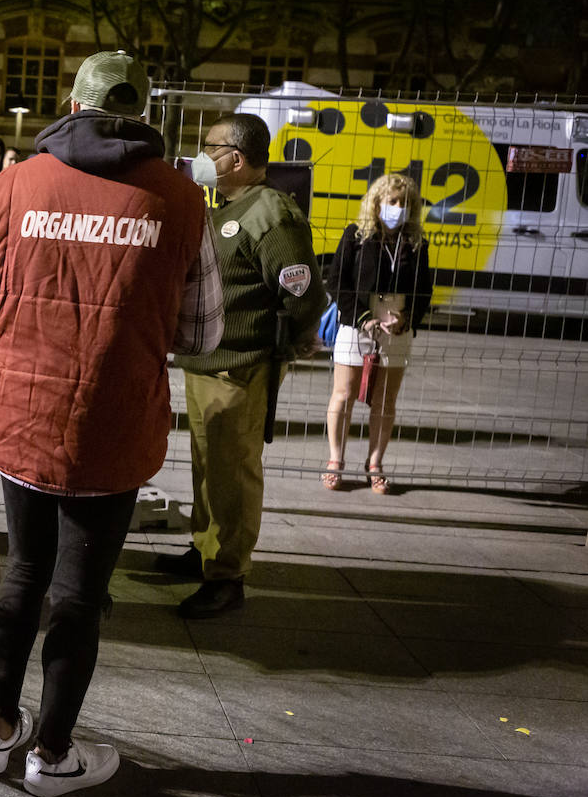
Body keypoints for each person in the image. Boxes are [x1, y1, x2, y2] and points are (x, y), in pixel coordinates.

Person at [0, 50, 222, 797]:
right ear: (143, 117)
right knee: (79, 592)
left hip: (24, 413)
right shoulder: (179, 199)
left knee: (23, 571)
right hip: (115, 422)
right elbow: (202, 333)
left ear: (72, 107)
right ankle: (54, 752)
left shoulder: (15, 182)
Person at [162, 113, 328, 618]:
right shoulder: (228, 205)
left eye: (209, 147)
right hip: (206, 360)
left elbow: (303, 293)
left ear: (235, 157)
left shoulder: (270, 212)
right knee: (207, 468)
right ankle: (206, 550)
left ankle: (227, 576)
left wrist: (292, 341)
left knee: (232, 474)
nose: (201, 156)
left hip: (239, 364)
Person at [323, 173, 433, 494]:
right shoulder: (356, 235)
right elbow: (337, 282)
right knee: (343, 395)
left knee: (385, 400)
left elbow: (425, 290)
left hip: (398, 326)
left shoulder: (416, 243)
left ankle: (375, 464)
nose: (399, 208)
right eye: (393, 201)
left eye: (405, 203)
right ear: (377, 202)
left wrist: (407, 318)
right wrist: (365, 318)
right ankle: (334, 461)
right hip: (358, 321)